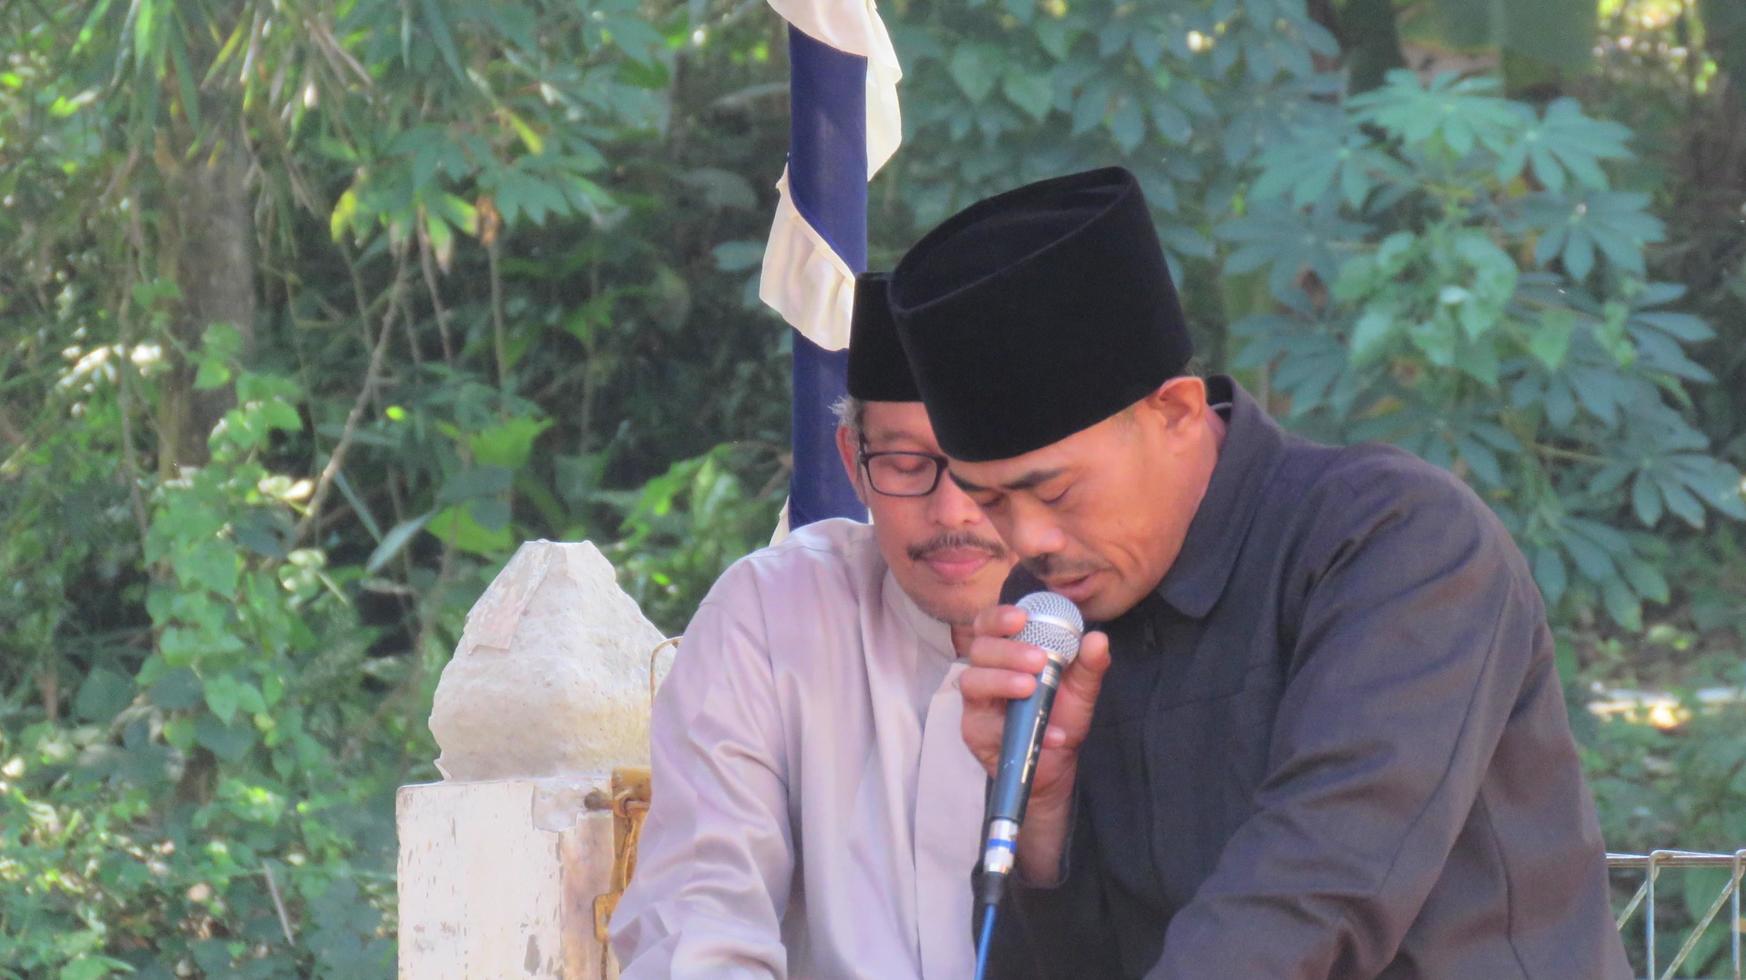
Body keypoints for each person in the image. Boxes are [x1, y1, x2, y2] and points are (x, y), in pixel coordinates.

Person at [887, 166, 1631, 979]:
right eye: (991, 501)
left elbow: (1317, 885)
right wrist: (1044, 815)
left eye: (1054, 489)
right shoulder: (1049, 610)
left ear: (1173, 411)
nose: (1030, 540)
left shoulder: (1394, 540)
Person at [610, 272, 1016, 978]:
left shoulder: (1119, 621)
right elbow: (698, 919)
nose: (952, 511)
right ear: (853, 464)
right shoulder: (773, 614)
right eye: (907, 461)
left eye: (981, 465)